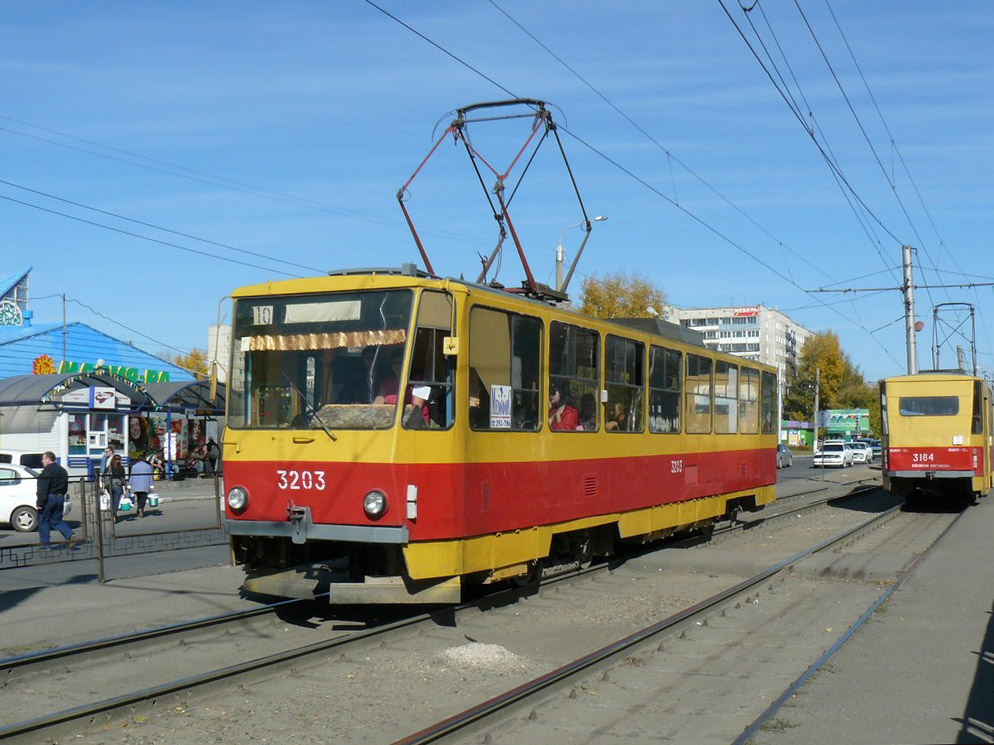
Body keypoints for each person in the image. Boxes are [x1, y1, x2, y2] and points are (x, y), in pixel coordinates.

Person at [36, 451, 73, 548]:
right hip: (60, 497)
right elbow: (65, 486)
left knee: (43, 520)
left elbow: (43, 488)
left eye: (43, 459)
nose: (42, 461)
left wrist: (40, 502)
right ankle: (69, 534)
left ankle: (45, 545)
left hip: (49, 497)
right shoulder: (62, 470)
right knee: (56, 520)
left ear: (48, 459)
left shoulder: (47, 472)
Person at [129, 453, 155, 518]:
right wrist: (151, 485)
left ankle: (139, 509)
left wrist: (130, 485)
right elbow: (150, 476)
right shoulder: (148, 466)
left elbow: (131, 476)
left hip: (136, 485)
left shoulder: (134, 466)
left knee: (139, 498)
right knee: (143, 498)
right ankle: (140, 508)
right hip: (144, 485)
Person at [102, 453, 127, 519]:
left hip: (109, 485)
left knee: (112, 499)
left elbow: (103, 476)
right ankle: (114, 514)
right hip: (117, 486)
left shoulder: (108, 467)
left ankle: (112, 511)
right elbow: (123, 478)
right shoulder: (121, 468)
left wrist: (103, 486)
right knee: (116, 500)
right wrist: (125, 487)